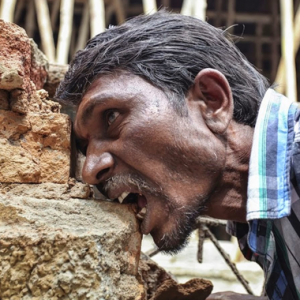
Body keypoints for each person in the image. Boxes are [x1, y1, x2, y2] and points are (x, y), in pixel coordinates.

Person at [55, 10, 300, 300]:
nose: (90, 170)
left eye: (111, 117)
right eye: (86, 149)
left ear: (211, 101)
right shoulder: (259, 225)